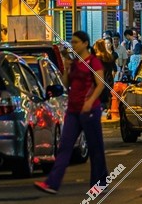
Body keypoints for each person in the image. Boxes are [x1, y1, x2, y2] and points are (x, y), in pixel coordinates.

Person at [36, 31, 108, 194]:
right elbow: (65, 83)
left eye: (76, 42)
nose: (73, 45)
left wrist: (90, 102)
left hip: (89, 110)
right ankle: (52, 183)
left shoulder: (93, 62)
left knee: (95, 147)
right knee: (65, 146)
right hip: (73, 109)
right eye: (72, 42)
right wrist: (67, 69)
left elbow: (100, 84)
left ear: (85, 43)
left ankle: (99, 182)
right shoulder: (74, 63)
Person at [93, 40, 117, 121]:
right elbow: (114, 69)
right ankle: (109, 111)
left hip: (99, 81)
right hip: (109, 80)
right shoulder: (109, 56)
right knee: (108, 98)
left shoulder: (96, 58)